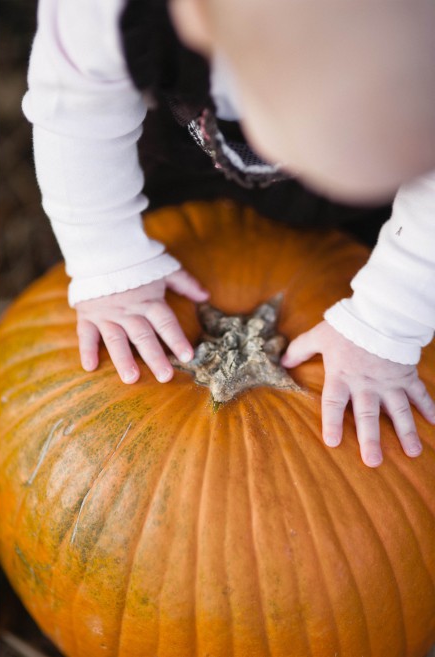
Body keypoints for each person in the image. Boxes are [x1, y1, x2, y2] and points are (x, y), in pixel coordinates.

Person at [22, 0, 435, 467]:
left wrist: (387, 320)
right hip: (192, 150)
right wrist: (108, 259)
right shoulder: (108, 18)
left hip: (390, 194)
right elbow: (74, 109)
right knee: (167, 201)